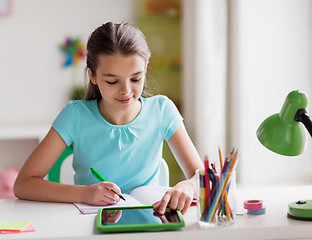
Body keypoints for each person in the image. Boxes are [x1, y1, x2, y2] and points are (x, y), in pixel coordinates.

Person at [14, 21, 203, 215]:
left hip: (150, 223)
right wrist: (85, 193)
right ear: (93, 76)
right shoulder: (75, 116)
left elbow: (203, 177)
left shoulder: (162, 110)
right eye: (112, 81)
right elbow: (23, 184)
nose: (126, 91)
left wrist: (188, 186)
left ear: (145, 69)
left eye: (136, 78)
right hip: (90, 224)